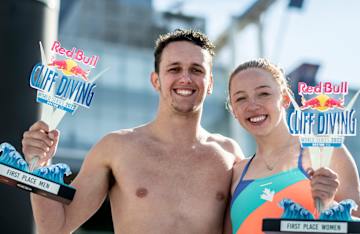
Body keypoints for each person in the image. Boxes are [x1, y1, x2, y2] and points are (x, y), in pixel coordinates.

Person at [22, 29, 244, 234]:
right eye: (174, 69)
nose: (185, 78)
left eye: (196, 70)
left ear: (211, 82)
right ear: (155, 80)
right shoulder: (116, 148)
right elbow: (56, 227)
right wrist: (38, 167)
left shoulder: (228, 155)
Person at [225, 58, 360, 234]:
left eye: (263, 94)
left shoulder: (326, 153)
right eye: (241, 98)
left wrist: (329, 206)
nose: (253, 105)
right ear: (233, 110)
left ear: (285, 98)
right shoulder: (235, 174)